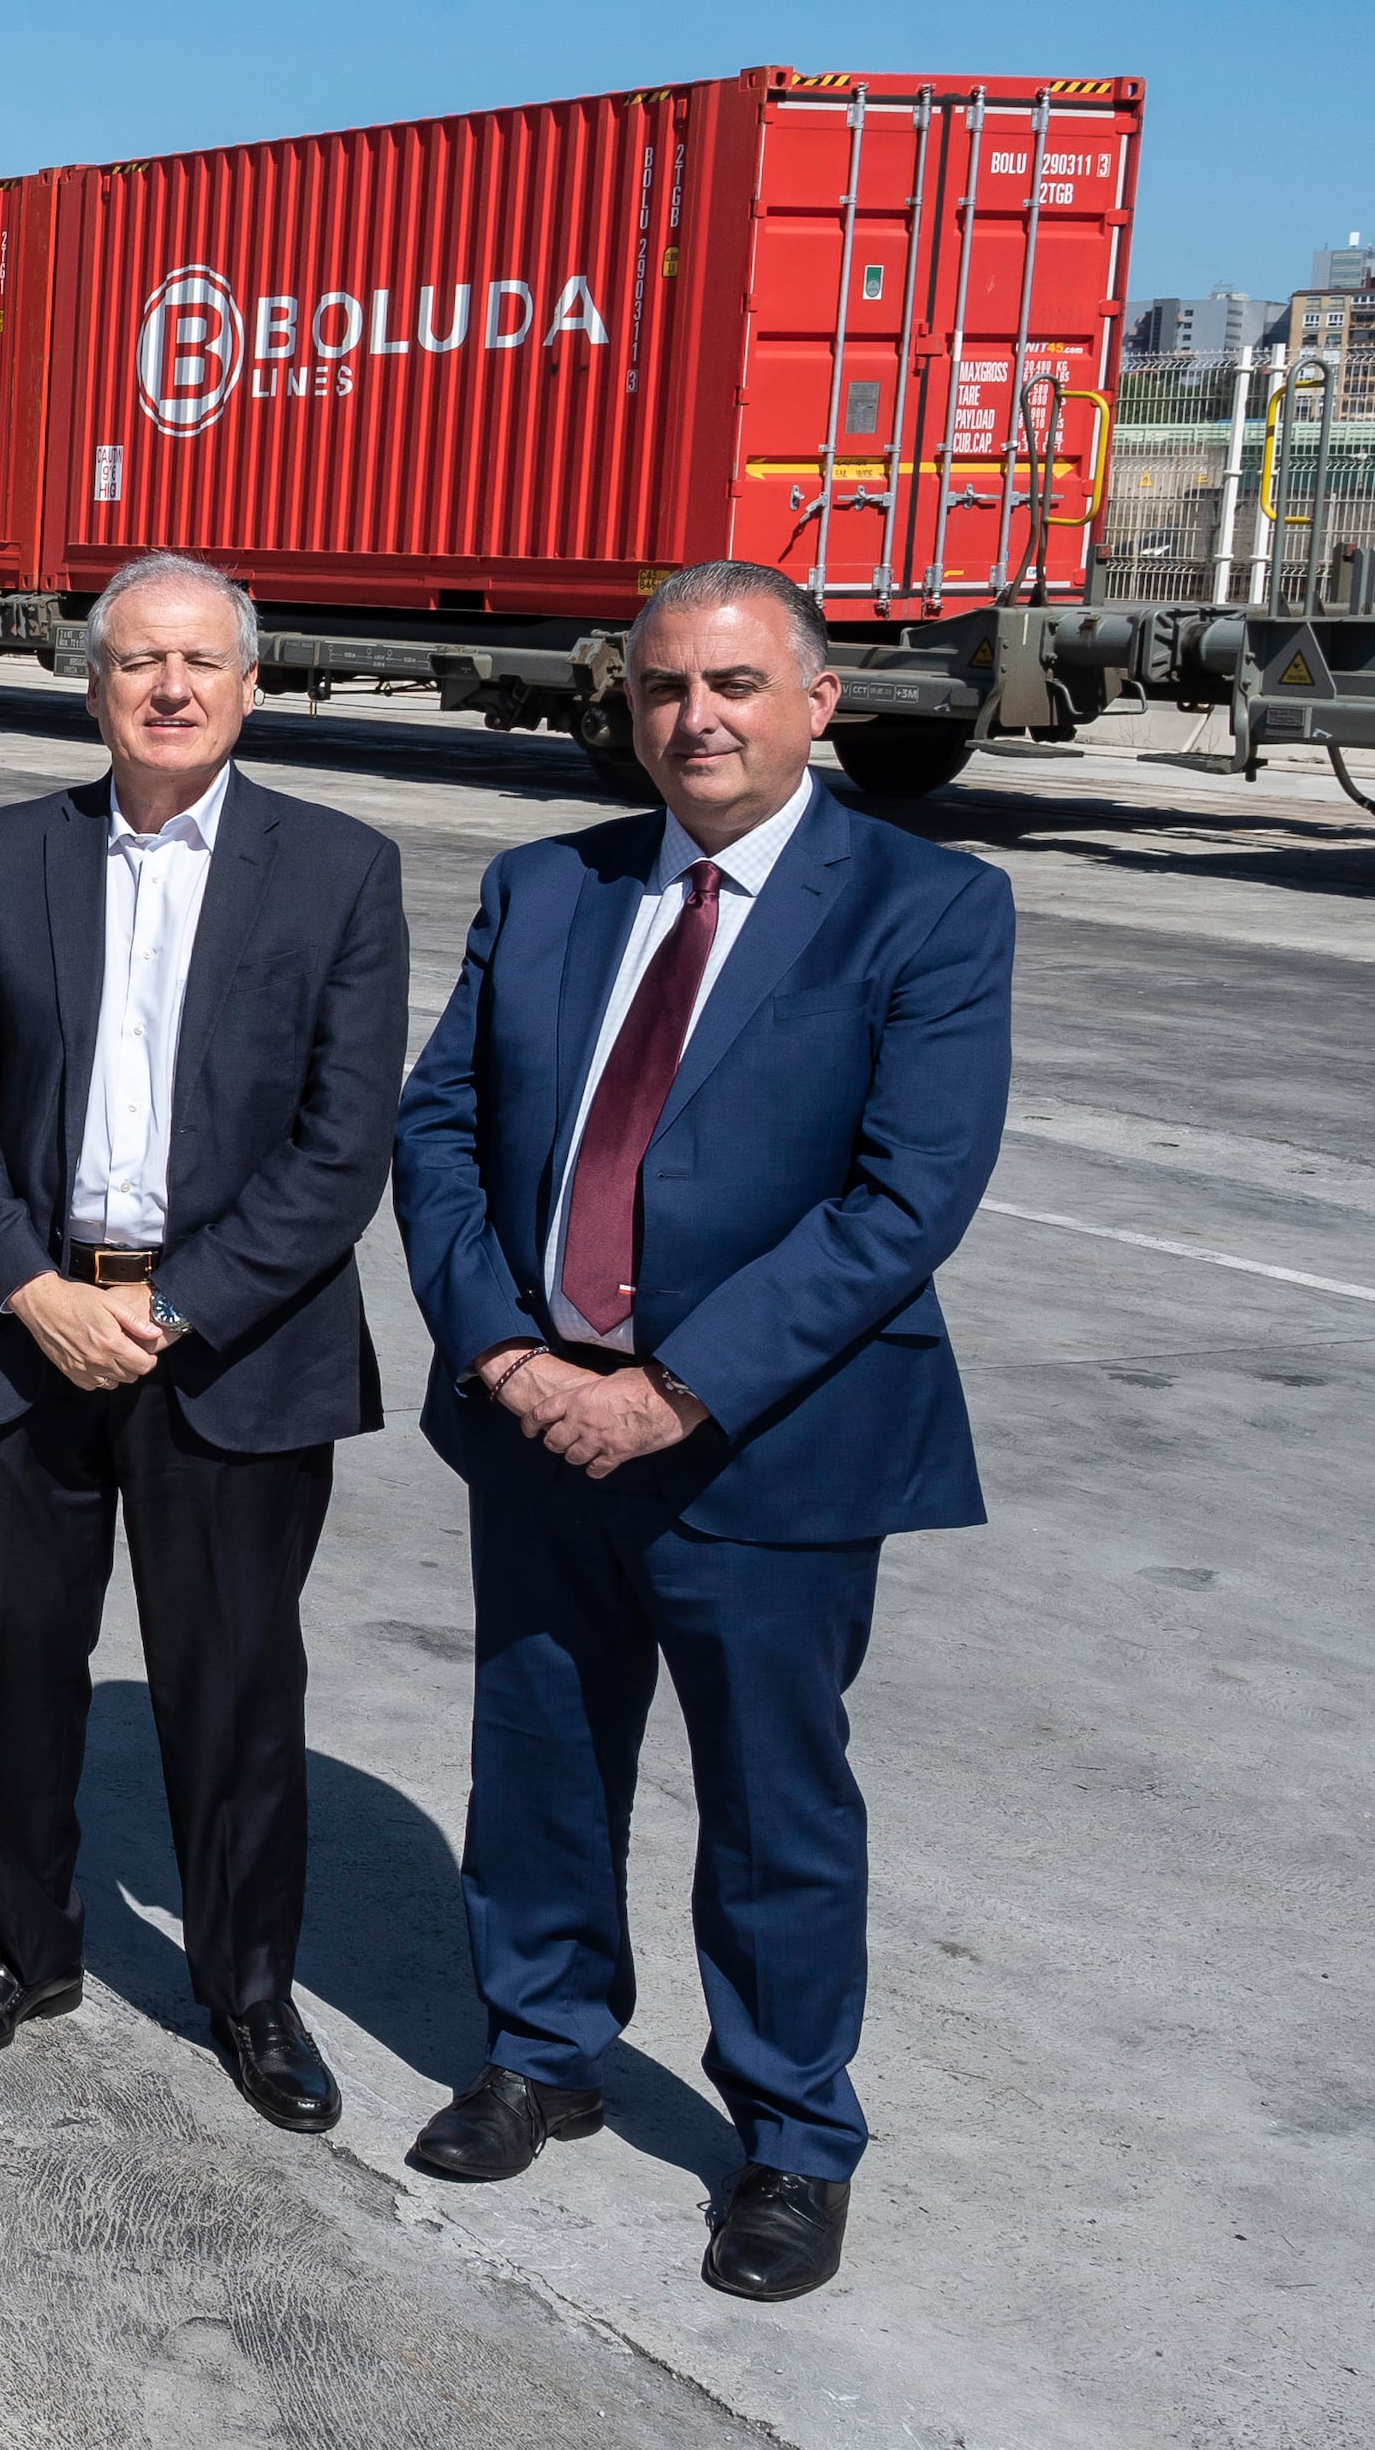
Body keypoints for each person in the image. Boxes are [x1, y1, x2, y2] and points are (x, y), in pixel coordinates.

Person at [390, 559, 1012, 2303]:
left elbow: (905, 1202)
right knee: (536, 1764)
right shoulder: (548, 886)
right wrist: (509, 1351)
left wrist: (670, 1386)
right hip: (537, 1428)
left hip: (765, 1446)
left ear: (821, 701)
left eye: (738, 684)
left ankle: (793, 2140)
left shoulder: (927, 907)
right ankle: (543, 2048)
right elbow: (437, 1129)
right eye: (667, 687)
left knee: (770, 1807)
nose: (699, 718)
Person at [0, 552, 407, 2130]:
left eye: (202, 660)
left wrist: (176, 1306)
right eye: (138, 660)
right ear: (92, 680)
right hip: (27, 1329)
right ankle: (24, 1949)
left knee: (234, 1685)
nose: (171, 687)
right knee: (14, 1675)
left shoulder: (338, 867)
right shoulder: (3, 855)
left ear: (252, 685)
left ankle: (250, 1994)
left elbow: (341, 1147)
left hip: (235, 1350)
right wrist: (37, 1292)